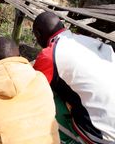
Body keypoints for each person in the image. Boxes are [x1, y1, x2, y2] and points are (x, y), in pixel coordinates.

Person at [33, 11, 115, 143]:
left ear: (38, 34)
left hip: (103, 133)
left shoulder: (49, 55)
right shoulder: (87, 41)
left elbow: (31, 90)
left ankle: (67, 140)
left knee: (47, 94)